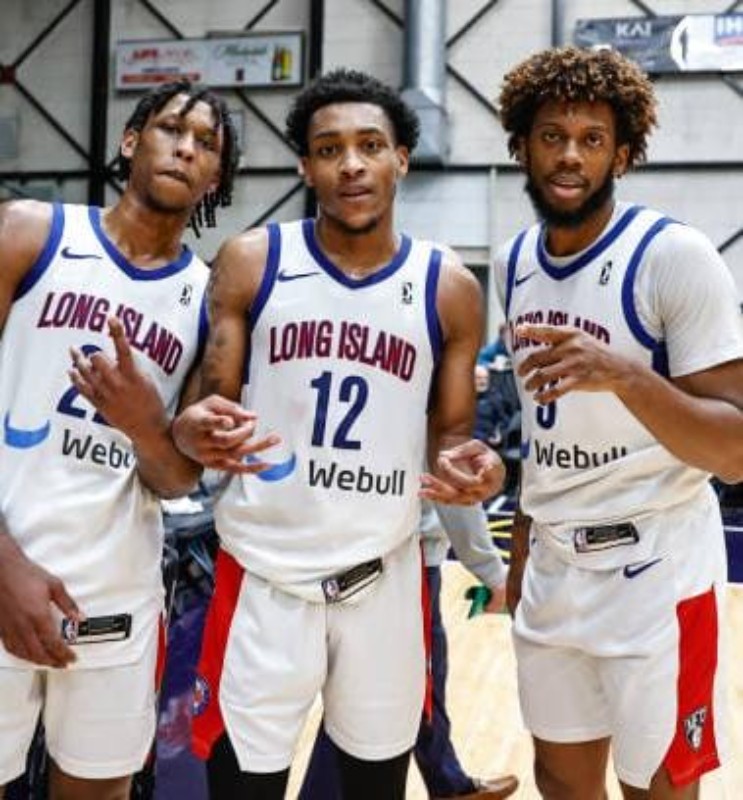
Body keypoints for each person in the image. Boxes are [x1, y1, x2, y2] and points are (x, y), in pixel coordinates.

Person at [171, 68, 504, 799]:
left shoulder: (448, 286)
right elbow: (207, 406)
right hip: (263, 579)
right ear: (305, 166)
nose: (351, 164)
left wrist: (483, 470)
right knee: (241, 789)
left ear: (401, 159)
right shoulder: (254, 261)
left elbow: (452, 439)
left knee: (375, 787)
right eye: (329, 150)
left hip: (383, 582)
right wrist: (192, 431)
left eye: (369, 146)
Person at [488, 45, 743, 799]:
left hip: (658, 570)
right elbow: (543, 434)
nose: (570, 155)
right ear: (522, 147)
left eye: (591, 139)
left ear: (621, 155)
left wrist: (624, 374)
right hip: (553, 566)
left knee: (657, 788)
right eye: (551, 136)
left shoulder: (673, 257)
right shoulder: (511, 262)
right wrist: (521, 558)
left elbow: (734, 449)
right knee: (560, 783)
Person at [0, 80, 240, 800]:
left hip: (114, 598)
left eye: (206, 143)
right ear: (130, 141)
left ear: (216, 177)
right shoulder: (28, 234)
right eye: (170, 129)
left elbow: (176, 480)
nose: (185, 148)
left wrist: (143, 424)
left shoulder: (210, 302)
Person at [298, 499, 519, 800]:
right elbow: (456, 487)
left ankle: (448, 782)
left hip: (360, 552)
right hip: (404, 559)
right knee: (370, 693)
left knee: (402, 683)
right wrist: (492, 572)